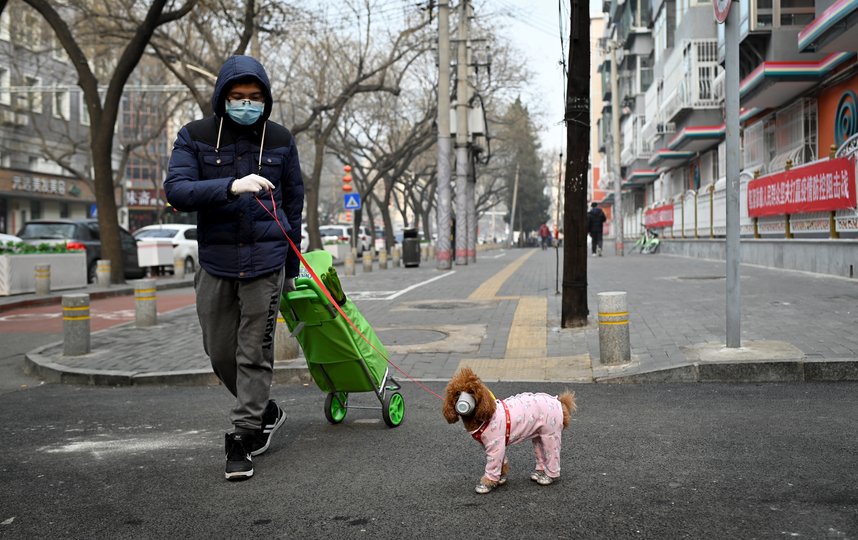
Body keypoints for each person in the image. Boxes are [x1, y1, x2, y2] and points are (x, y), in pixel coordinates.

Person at [164, 55, 304, 481]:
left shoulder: (280, 139)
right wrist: (230, 185)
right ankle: (265, 410)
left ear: (267, 99)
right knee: (220, 351)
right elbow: (178, 190)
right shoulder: (195, 136)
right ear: (223, 96)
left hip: (266, 263)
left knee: (254, 352)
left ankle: (243, 436)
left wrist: (292, 262)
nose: (246, 103)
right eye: (238, 96)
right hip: (216, 261)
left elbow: (293, 203)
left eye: (255, 97)